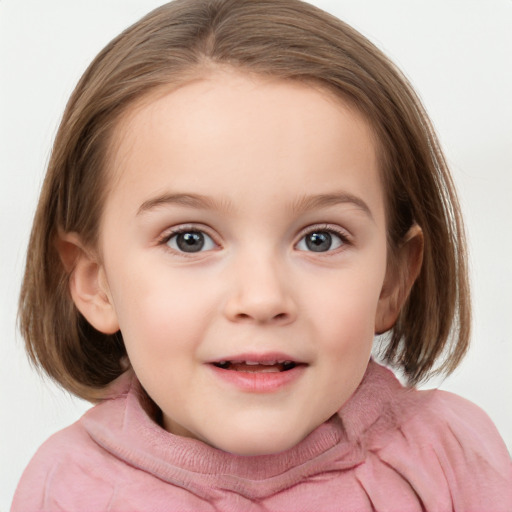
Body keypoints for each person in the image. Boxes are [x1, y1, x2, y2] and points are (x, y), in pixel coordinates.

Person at [11, 0, 512, 510]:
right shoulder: (69, 489)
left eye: (321, 238)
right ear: (96, 283)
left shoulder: (448, 454)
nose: (262, 298)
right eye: (190, 239)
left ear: (392, 280)